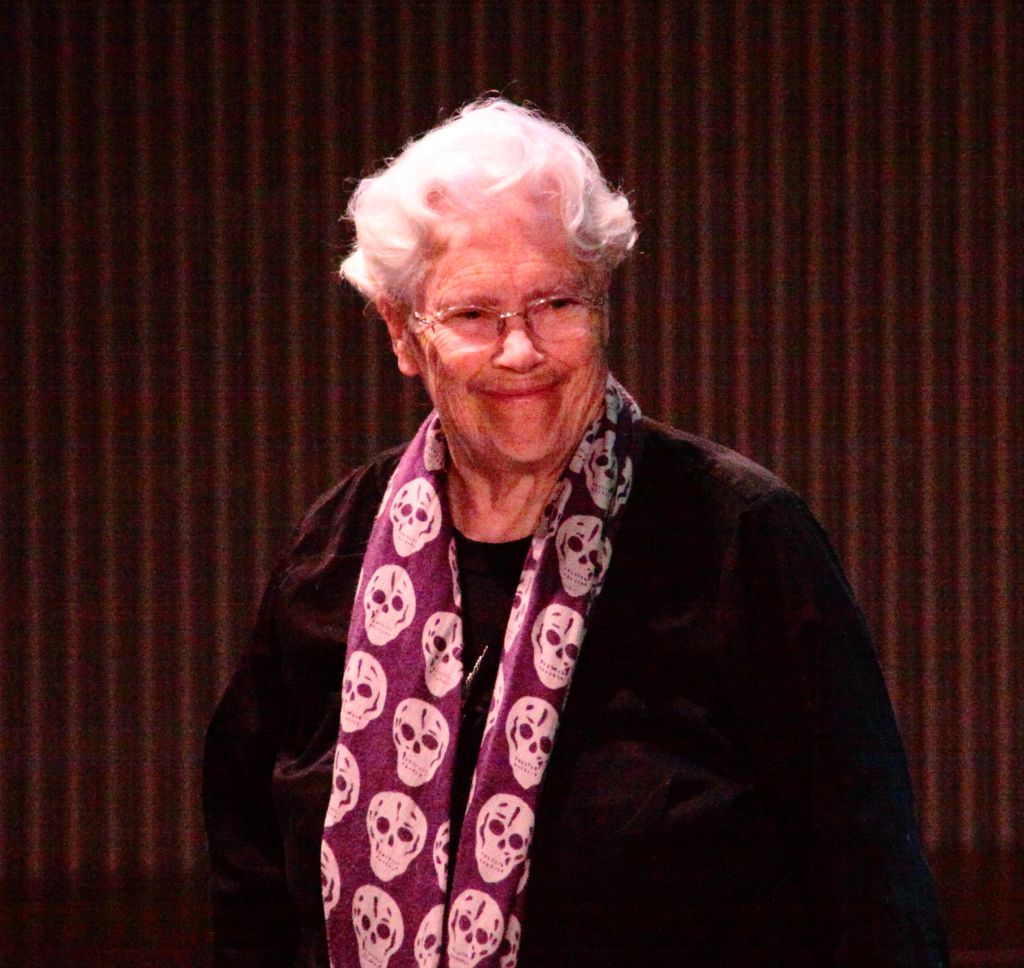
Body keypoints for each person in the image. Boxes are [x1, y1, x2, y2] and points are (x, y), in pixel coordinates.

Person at [203, 98, 948, 968]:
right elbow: (251, 881)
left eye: (556, 302)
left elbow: (872, 888)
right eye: (474, 316)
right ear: (403, 334)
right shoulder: (332, 554)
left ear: (602, 305)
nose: (522, 351)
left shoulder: (742, 538)